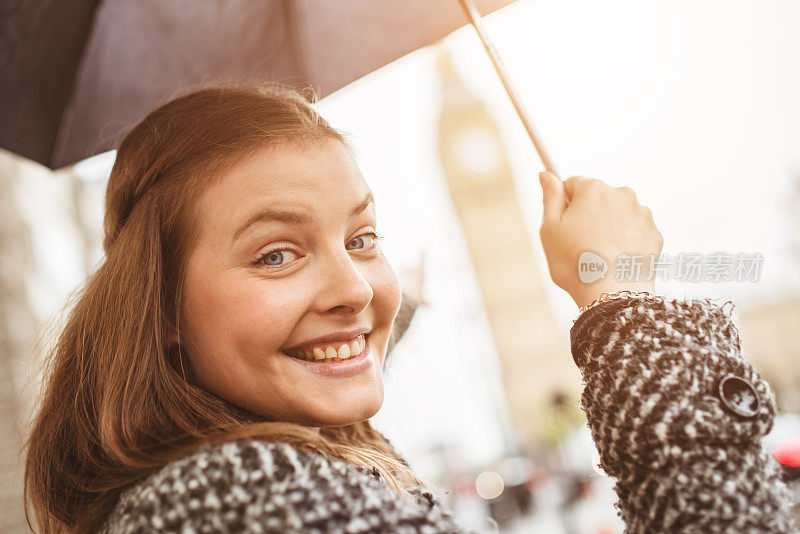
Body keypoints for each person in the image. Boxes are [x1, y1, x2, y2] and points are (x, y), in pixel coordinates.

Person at [23, 83, 797, 533]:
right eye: (277, 254)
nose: (356, 288)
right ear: (158, 307)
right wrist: (622, 296)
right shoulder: (237, 501)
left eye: (363, 237)